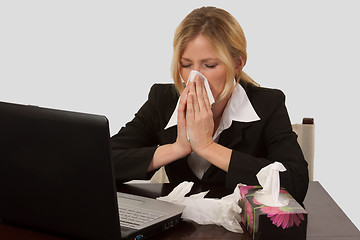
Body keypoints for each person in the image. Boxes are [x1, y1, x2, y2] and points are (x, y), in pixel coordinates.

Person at [110, 6, 309, 203]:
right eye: (186, 65)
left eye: (210, 65)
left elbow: (295, 183)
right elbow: (102, 161)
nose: (195, 77)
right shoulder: (162, 99)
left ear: (238, 63)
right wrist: (177, 148)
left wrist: (207, 147)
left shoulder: (267, 104)